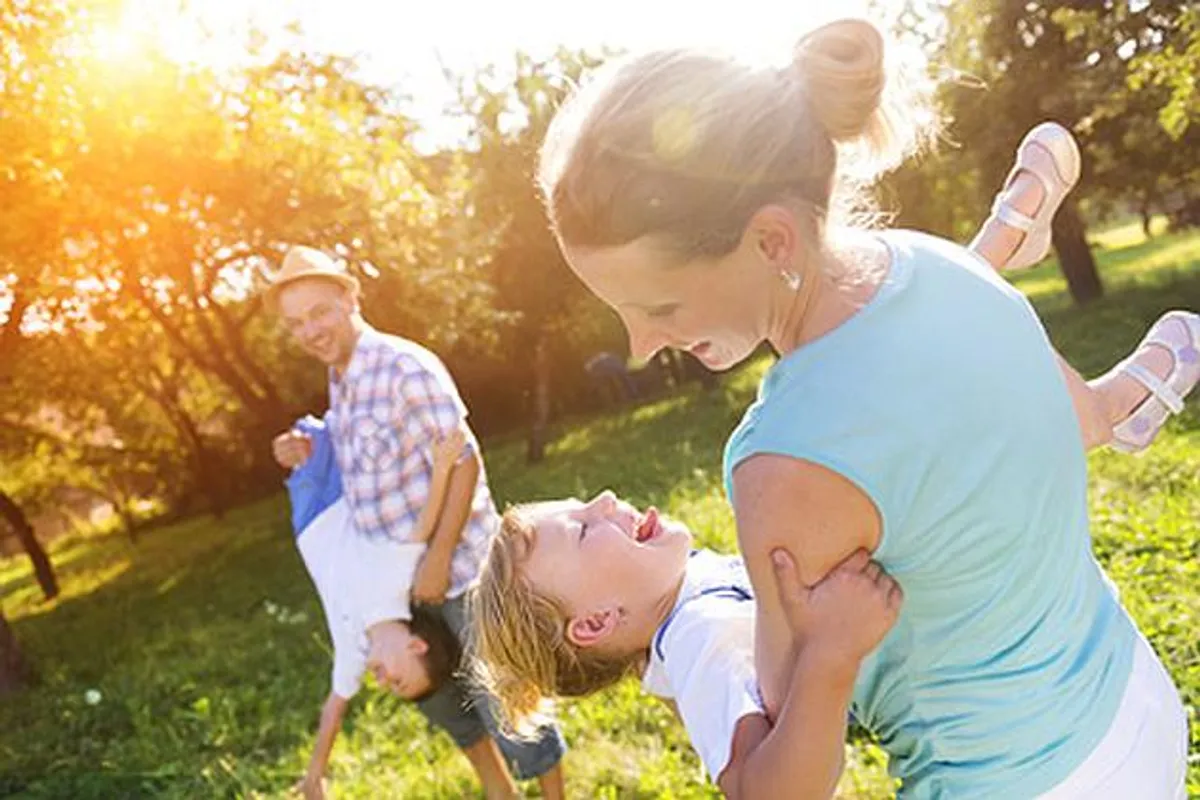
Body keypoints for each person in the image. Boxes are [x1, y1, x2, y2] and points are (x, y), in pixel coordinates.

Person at [534, 17, 1194, 798]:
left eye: (659, 304)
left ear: (772, 241)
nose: (642, 343)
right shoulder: (941, 265)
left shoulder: (780, 463)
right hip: (1132, 700)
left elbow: (787, 734)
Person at [265, 249, 567, 799]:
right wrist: (301, 446)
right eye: (296, 323)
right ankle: (501, 794)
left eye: (321, 312)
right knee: (449, 707)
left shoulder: (404, 366)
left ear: (351, 298)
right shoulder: (342, 380)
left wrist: (436, 556)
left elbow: (464, 458)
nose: (311, 330)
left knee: (510, 701)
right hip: (403, 589)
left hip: (465, 573)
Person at [472, 493, 900, 799]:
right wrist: (831, 654)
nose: (604, 499)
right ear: (597, 621)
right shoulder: (696, 639)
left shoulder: (681, 597)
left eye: (583, 501)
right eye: (583, 530)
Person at [285, 415, 464, 798]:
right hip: (341, 498)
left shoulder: (355, 650)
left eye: (388, 687)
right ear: (417, 645)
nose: (380, 682)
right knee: (333, 427)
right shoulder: (397, 587)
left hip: (307, 518)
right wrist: (444, 465)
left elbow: (334, 709)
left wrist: (315, 774)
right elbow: (423, 526)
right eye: (397, 680)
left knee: (305, 442)